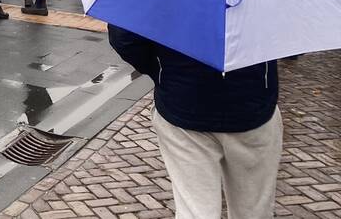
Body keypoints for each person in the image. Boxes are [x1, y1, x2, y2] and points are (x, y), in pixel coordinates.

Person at [108, 26, 281, 218]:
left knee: (195, 212)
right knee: (254, 211)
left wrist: (163, 72)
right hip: (252, 100)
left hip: (184, 102)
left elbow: (124, 37)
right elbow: (295, 30)